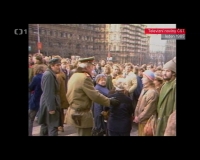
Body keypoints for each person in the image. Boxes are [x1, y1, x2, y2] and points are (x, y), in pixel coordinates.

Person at [64, 57, 120, 136]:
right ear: (87, 67)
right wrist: (109, 101)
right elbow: (95, 96)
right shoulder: (84, 78)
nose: (92, 69)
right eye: (91, 67)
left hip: (75, 110)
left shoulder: (75, 75)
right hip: (82, 113)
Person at [37, 58, 62, 136]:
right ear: (52, 66)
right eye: (57, 65)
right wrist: (51, 108)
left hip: (48, 103)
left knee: (45, 126)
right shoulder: (49, 75)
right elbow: (48, 92)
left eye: (59, 65)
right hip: (50, 104)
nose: (59, 67)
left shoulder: (50, 74)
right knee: (52, 127)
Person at [155, 57, 176, 136]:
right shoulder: (164, 85)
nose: (164, 73)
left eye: (167, 71)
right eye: (163, 70)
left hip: (168, 124)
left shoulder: (174, 85)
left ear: (173, 72)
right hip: (161, 120)